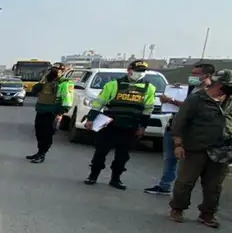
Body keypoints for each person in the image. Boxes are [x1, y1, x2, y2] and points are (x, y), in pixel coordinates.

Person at [167, 70, 232, 227]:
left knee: (214, 185)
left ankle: (207, 214)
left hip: (222, 150)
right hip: (196, 148)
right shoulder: (197, 99)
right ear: (218, 84)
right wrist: (178, 144)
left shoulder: (230, 101)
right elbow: (180, 122)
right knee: (185, 182)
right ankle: (177, 209)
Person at [83, 60, 157, 189]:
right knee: (100, 152)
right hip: (109, 125)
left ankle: (115, 179)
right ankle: (93, 176)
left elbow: (148, 109)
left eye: (143, 72)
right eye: (137, 71)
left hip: (130, 127)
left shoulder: (149, 88)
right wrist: (90, 119)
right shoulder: (112, 85)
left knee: (122, 156)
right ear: (129, 70)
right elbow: (98, 103)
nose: (140, 74)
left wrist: (143, 127)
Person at [145, 63, 216, 196]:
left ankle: (180, 191)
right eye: (192, 73)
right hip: (175, 126)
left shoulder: (211, 92)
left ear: (207, 76)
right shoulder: (190, 88)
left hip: (191, 132)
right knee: (169, 158)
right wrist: (174, 90)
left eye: (196, 74)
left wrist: (171, 100)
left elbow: (192, 107)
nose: (192, 77)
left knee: (185, 163)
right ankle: (164, 185)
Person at [26, 63, 74, 164]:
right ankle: (39, 151)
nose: (54, 71)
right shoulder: (45, 82)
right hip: (41, 110)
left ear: (62, 72)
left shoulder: (64, 83)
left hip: (53, 113)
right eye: (53, 69)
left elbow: (67, 101)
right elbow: (34, 91)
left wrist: (60, 113)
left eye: (57, 69)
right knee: (39, 132)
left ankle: (42, 154)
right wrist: (42, 81)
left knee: (47, 134)